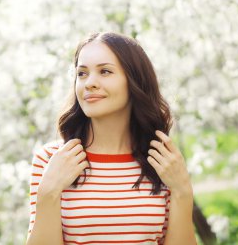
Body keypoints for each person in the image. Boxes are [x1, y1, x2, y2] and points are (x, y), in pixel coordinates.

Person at [26, 32, 196, 245]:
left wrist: (182, 192)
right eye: (82, 74)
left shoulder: (161, 162)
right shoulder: (51, 159)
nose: (90, 83)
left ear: (134, 81)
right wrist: (48, 193)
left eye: (105, 71)